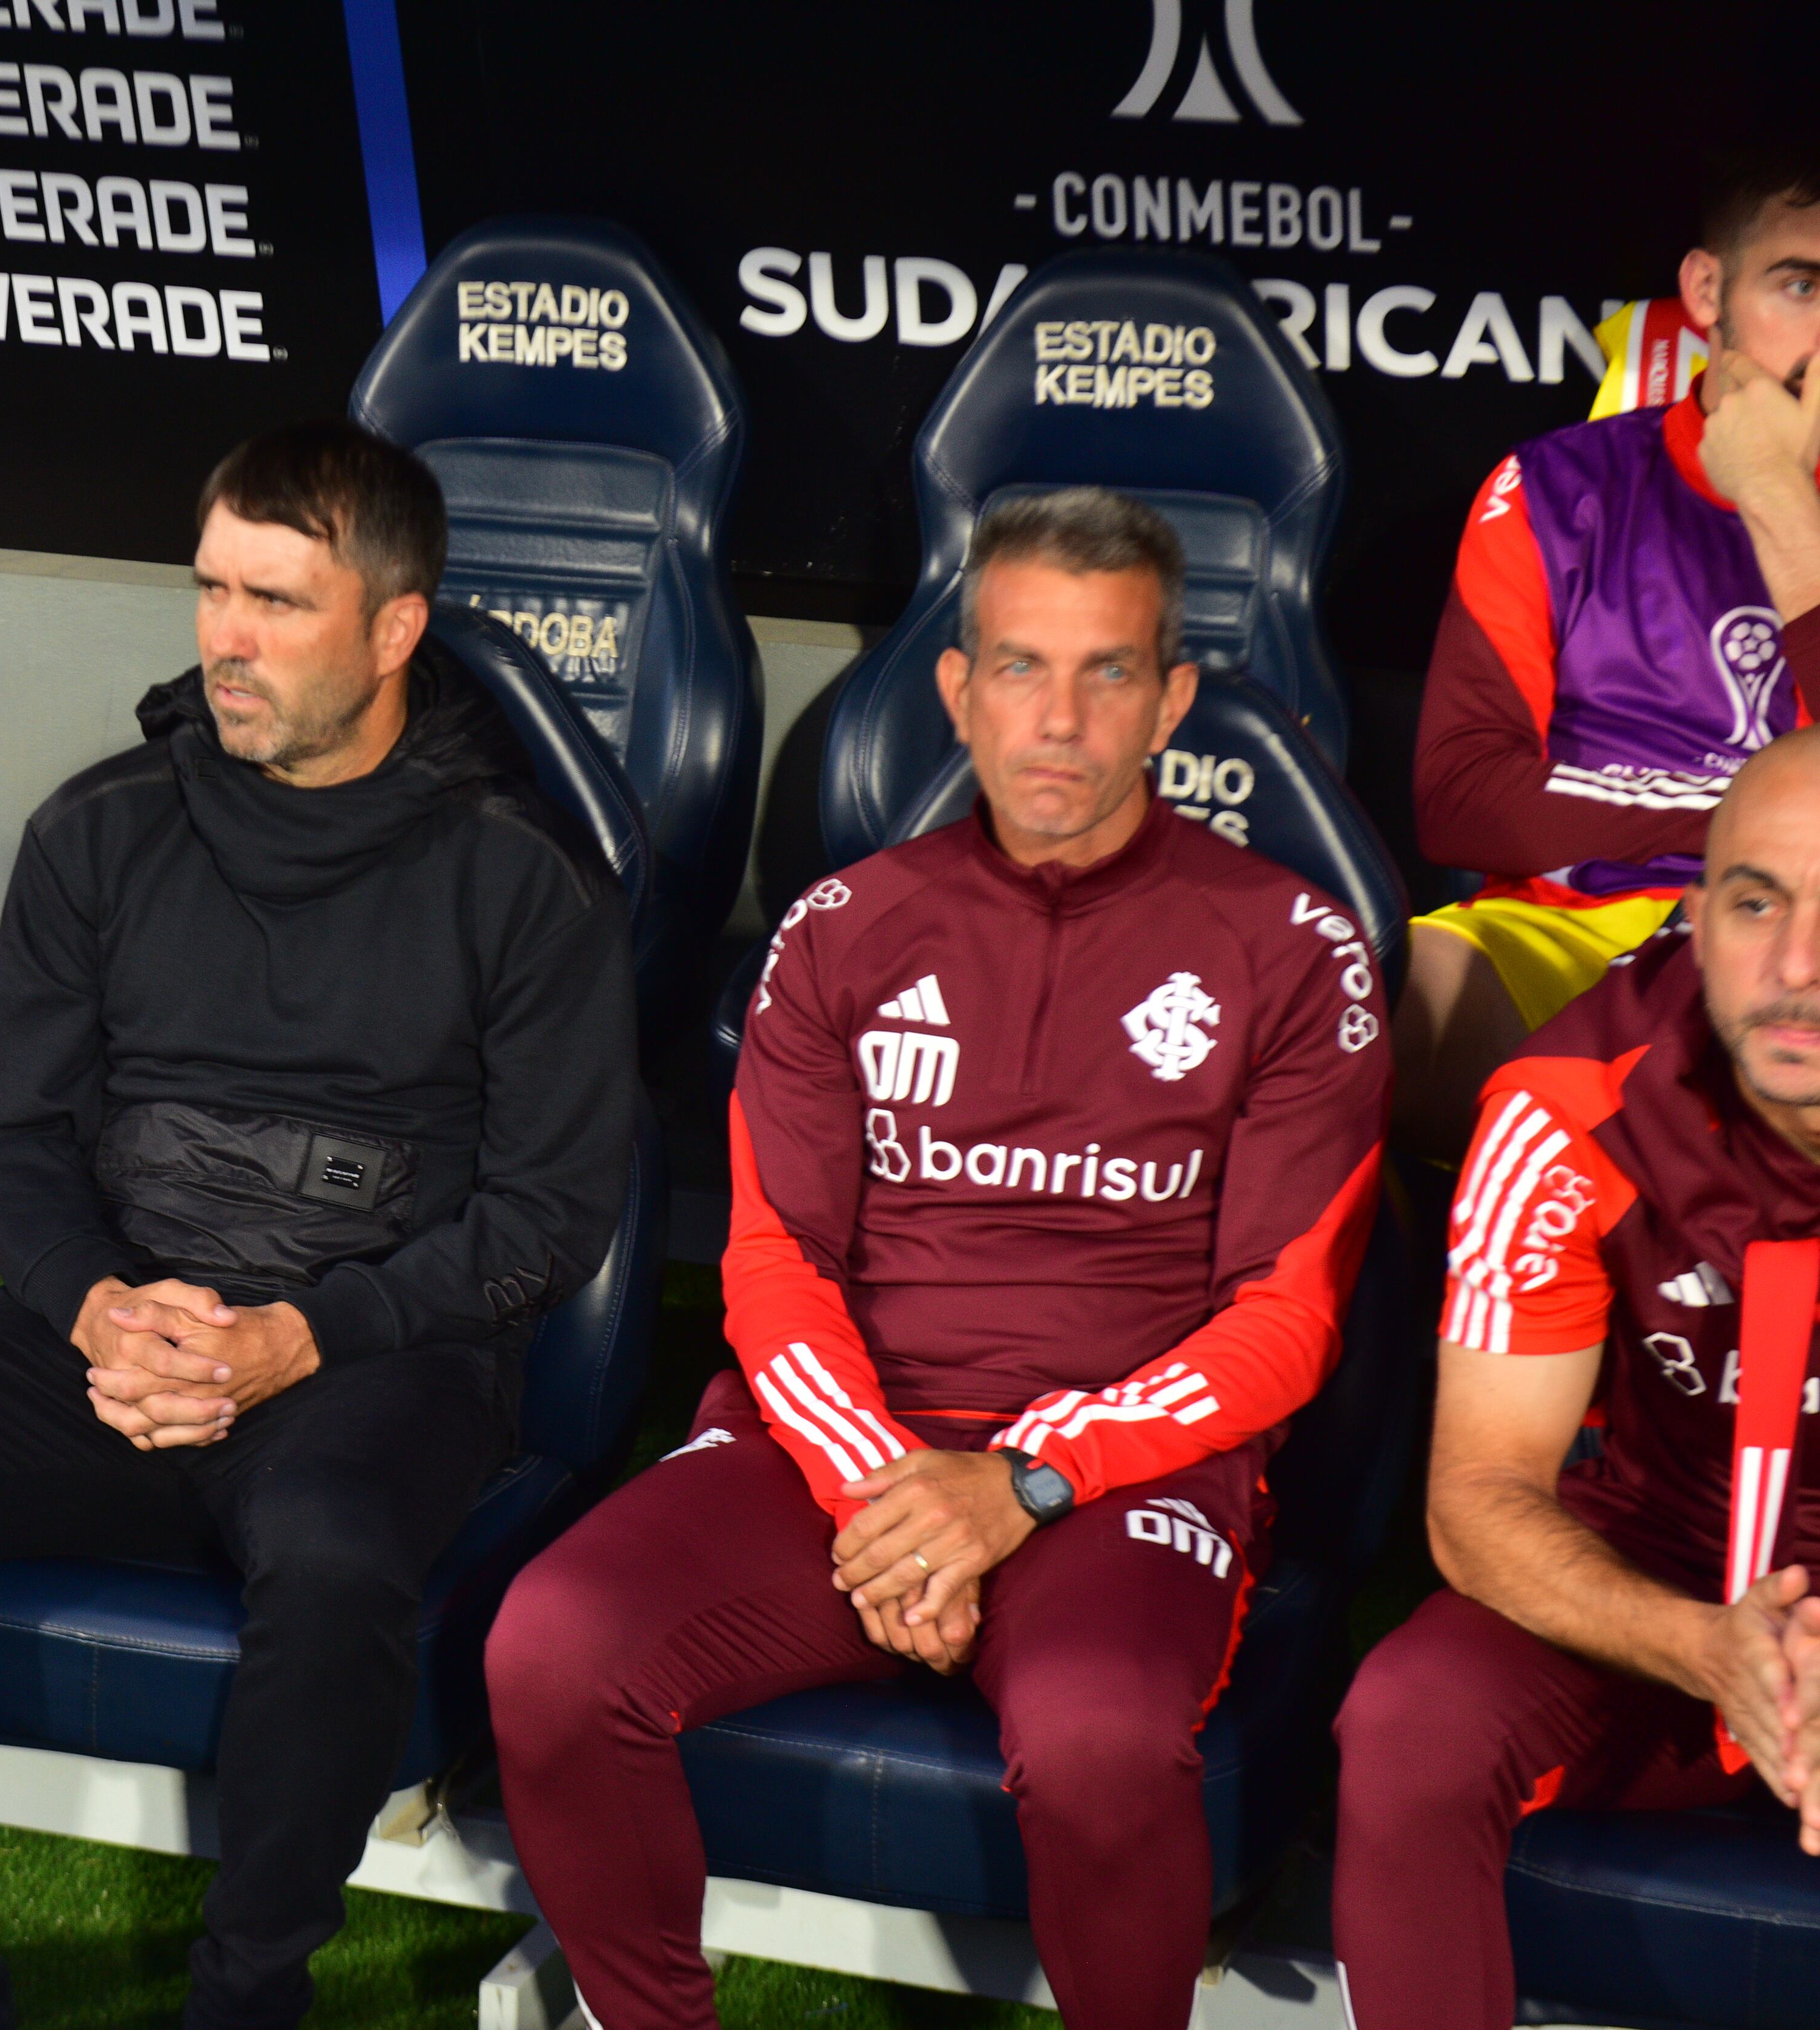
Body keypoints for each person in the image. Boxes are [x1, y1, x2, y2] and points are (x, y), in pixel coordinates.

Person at [0, 420, 636, 2030]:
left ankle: (245, 1998)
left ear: (394, 625)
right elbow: (2, 1137)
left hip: (374, 1355)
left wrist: (301, 1333)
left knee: (338, 1543)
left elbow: (549, 1211)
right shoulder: (102, 826)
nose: (226, 636)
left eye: (280, 602)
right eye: (213, 587)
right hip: (112, 1324)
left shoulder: (520, 877)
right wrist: (95, 1303)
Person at [485, 488, 1391, 2030]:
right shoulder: (842, 928)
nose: (1059, 715)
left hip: (1124, 1474)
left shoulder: (1292, 946)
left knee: (1102, 1734)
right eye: (1019, 667)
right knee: (552, 1642)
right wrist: (890, 1495)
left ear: (1172, 700)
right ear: (956, 690)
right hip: (840, 1444)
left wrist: (1021, 1484)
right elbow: (772, 1262)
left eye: (1108, 671)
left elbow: (1283, 1324)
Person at [1334, 728, 1820, 2030]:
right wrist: (1709, 1649)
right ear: (1693, 913)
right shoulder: (1566, 1103)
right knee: (1408, 1721)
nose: (1795, 970)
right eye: (1756, 901)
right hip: (1656, 1555)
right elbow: (1476, 1495)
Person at [1399, 139, 1820, 1156]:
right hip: (1573, 926)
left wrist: (1775, 496)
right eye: (1801, 286)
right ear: (1708, 291)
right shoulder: (1556, 487)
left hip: (1801, 936)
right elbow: (1459, 797)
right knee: (1387, 1011)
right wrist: (1721, 822)